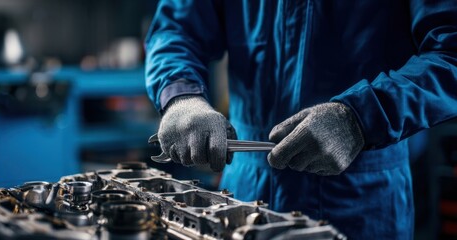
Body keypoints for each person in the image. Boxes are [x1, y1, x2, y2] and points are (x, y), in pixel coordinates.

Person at [144, 0, 457, 239]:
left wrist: (363, 117)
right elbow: (176, 28)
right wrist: (181, 96)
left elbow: (451, 54)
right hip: (244, 189)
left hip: (361, 199)